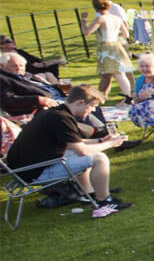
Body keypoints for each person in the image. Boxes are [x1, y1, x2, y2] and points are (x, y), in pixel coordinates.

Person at [4, 84, 130, 217]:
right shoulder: (61, 118)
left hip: (23, 169)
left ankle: (88, 193)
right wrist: (111, 144)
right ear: (80, 102)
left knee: (80, 153)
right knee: (99, 158)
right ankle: (105, 201)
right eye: (92, 106)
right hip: (34, 172)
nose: (93, 111)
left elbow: (73, 143)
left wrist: (101, 141)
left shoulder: (55, 112)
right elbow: (82, 150)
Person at [82, 0, 135, 100]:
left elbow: (86, 32)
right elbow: (126, 34)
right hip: (116, 45)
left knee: (118, 74)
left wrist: (83, 20)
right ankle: (100, 98)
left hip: (106, 48)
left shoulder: (100, 19)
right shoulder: (116, 18)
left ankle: (128, 98)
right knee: (111, 74)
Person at [0, 35, 66, 80]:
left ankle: (59, 91)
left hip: (34, 71)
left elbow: (36, 64)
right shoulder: (3, 56)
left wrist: (56, 61)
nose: (12, 42)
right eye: (8, 41)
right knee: (43, 76)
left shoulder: (20, 52)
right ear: (1, 45)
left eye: (11, 41)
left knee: (49, 73)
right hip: (22, 75)